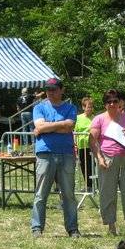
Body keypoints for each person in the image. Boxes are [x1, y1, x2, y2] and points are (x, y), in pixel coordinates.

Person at [89, 88, 125, 236]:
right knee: (108, 192)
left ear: (119, 102)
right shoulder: (99, 119)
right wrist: (99, 158)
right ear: (105, 104)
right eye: (109, 101)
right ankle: (111, 226)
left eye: (115, 101)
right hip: (107, 158)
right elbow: (92, 141)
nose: (112, 104)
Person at [30, 77, 80, 238]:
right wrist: (60, 124)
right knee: (41, 194)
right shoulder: (39, 108)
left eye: (54, 89)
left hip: (66, 153)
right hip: (45, 153)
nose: (50, 92)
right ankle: (37, 228)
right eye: (48, 89)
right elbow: (39, 126)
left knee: (69, 195)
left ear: (61, 90)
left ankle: (73, 229)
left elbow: (69, 127)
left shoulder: (71, 107)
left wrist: (46, 128)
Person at [74, 96, 95, 192]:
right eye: (88, 107)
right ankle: (88, 185)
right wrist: (74, 144)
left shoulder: (95, 118)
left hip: (92, 146)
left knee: (91, 166)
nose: (90, 108)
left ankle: (94, 185)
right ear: (83, 107)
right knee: (83, 166)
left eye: (91, 106)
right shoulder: (78, 118)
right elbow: (75, 131)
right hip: (81, 146)